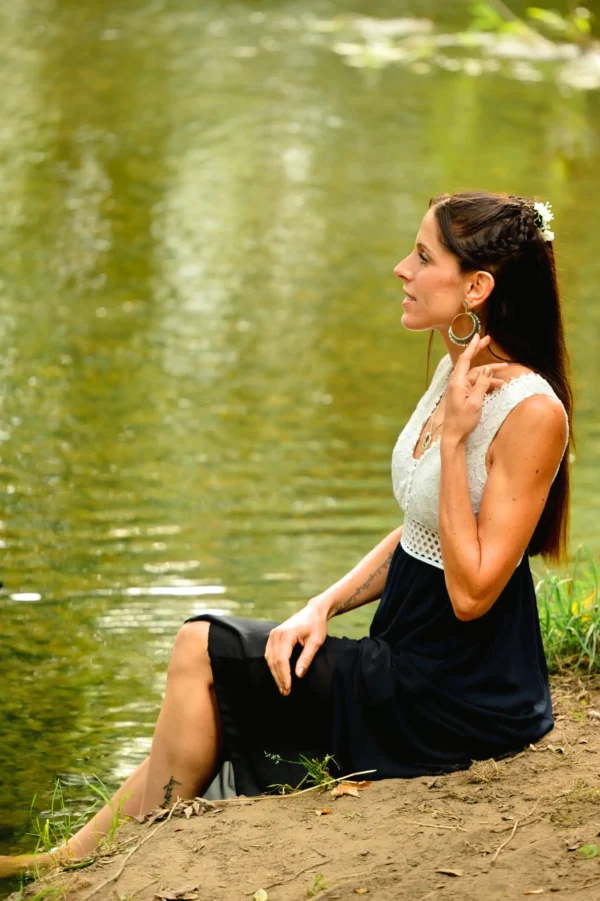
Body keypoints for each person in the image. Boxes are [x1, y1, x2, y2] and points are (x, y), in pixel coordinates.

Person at [0, 190, 572, 878]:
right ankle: (65, 858)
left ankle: (120, 855)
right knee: (224, 665)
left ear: (476, 286)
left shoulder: (531, 410)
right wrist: (321, 605)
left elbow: (474, 591)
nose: (401, 269)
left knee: (199, 645)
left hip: (461, 695)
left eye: (422, 257)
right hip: (404, 655)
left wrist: (453, 445)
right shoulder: (461, 370)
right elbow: (423, 529)